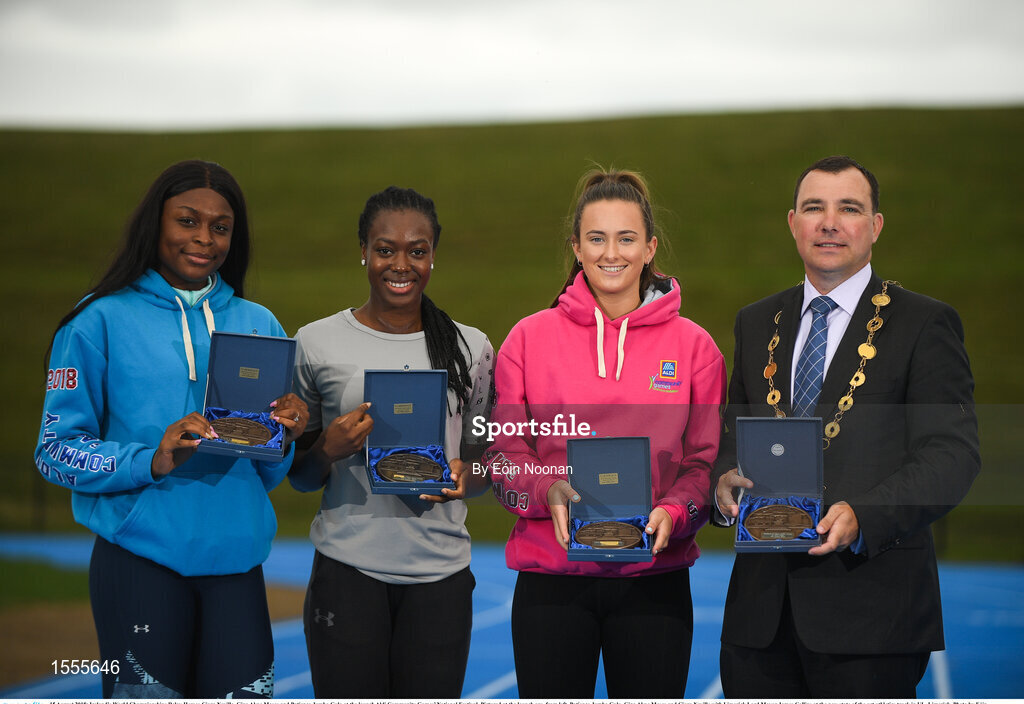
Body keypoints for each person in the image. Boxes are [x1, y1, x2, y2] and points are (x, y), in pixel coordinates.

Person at [34, 160, 308, 699]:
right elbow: (54, 451)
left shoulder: (260, 324)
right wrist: (151, 459)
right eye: (187, 221)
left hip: (236, 560)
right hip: (139, 560)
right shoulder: (96, 321)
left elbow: (269, 470)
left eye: (221, 227)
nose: (204, 238)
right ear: (155, 223)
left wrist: (285, 436)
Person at [712, 155, 980, 698]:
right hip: (759, 622)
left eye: (849, 208)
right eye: (814, 208)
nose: (829, 222)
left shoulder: (924, 323)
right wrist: (722, 484)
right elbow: (729, 438)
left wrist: (865, 514)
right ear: (793, 223)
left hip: (872, 618)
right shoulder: (756, 321)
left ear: (875, 226)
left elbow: (952, 455)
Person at [487, 168, 726, 698]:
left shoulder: (696, 348)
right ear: (576, 246)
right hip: (551, 582)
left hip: (654, 583)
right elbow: (505, 453)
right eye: (596, 238)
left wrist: (676, 511)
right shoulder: (526, 339)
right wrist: (544, 489)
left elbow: (703, 465)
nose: (610, 252)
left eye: (626, 238)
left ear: (649, 248)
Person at [288, 186, 495, 698]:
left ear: (432, 257)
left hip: (441, 576)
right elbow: (298, 475)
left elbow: (485, 468)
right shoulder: (316, 342)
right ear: (363, 251)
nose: (401, 264)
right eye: (385, 249)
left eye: (417, 251)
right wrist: (327, 450)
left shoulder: (472, 347)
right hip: (347, 570)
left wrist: (469, 480)